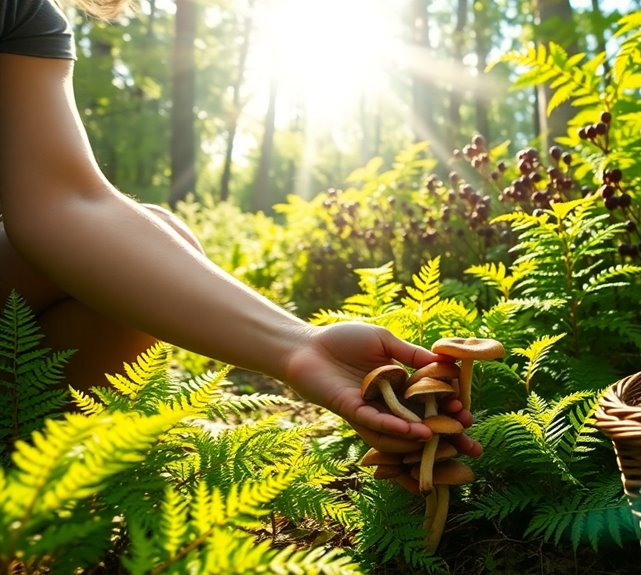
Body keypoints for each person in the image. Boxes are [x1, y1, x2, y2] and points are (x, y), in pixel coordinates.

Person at [0, 0, 481, 463]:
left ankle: (36, 501)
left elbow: (68, 202)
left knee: (150, 248)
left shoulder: (25, 14)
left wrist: (301, 346)